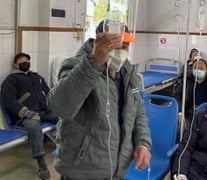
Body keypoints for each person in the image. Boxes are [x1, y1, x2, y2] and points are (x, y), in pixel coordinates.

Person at [47, 21, 152, 180]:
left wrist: (143, 143)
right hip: (83, 171)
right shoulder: (76, 66)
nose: (120, 51)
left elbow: (138, 112)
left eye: (124, 46)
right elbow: (60, 107)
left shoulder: (128, 73)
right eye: (114, 45)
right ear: (100, 42)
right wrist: (94, 62)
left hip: (117, 171)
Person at [1, 52, 59, 180]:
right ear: (16, 65)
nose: (25, 64)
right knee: (34, 127)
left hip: (43, 111)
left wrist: (53, 105)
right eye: (22, 62)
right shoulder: (11, 80)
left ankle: (67, 148)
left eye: (27, 61)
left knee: (62, 117)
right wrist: (25, 112)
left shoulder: (36, 77)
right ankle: (42, 164)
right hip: (25, 115)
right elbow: (9, 101)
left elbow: (48, 92)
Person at [184, 57, 207, 122]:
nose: (198, 70)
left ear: (206, 70)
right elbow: (178, 97)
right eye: (195, 68)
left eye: (201, 68)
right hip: (188, 114)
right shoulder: (186, 81)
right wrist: (180, 113)